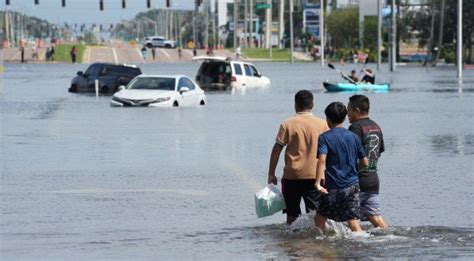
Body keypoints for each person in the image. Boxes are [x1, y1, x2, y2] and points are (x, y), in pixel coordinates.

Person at [267, 90, 329, 225]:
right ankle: (315, 242)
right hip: (316, 176)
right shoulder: (323, 124)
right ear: (312, 104)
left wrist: (271, 173)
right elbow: (330, 151)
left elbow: (277, 149)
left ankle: (291, 243)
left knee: (291, 214)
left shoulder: (287, 124)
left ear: (295, 105)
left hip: (292, 176)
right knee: (314, 214)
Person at [314, 102, 368, 232]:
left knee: (320, 218)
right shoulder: (353, 137)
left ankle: (319, 245)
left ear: (327, 118)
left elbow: (322, 159)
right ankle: (361, 244)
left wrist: (317, 183)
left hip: (333, 186)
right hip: (352, 185)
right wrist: (354, 172)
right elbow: (365, 162)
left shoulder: (324, 138)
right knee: (353, 221)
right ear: (344, 118)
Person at [348, 95, 388, 229]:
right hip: (373, 178)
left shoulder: (355, 128)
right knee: (375, 216)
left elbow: (350, 154)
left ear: (357, 111)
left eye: (349, 110)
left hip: (358, 179)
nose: (347, 114)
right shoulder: (376, 126)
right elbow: (379, 151)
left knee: (350, 216)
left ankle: (359, 244)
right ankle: (391, 236)